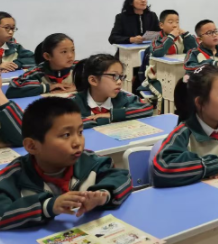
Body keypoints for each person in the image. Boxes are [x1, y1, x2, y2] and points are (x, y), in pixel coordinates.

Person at [0, 97, 132, 230]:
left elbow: (123, 177)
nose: (77, 142)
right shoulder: (13, 176)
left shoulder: (90, 162)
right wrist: (48, 206)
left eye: (80, 132)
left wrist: (103, 195)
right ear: (32, 146)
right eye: (66, 135)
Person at [71, 55, 154, 129]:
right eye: (114, 76)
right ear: (93, 80)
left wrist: (112, 115)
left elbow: (147, 108)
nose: (119, 82)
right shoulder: (73, 103)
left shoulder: (124, 97)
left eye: (121, 76)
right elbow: (72, 123)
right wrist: (107, 120)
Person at [141, 10, 198, 101]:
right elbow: (157, 52)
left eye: (177, 22)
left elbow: (194, 50)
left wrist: (187, 35)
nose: (175, 25)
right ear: (161, 25)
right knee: (165, 94)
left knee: (191, 90)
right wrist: (170, 37)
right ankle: (161, 108)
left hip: (178, 73)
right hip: (156, 76)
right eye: (170, 22)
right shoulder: (157, 40)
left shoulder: (181, 38)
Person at [8, 34, 77, 98]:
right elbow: (12, 91)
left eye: (72, 50)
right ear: (47, 56)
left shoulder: (79, 68)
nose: (70, 55)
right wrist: (48, 87)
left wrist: (78, 87)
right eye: (64, 52)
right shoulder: (37, 73)